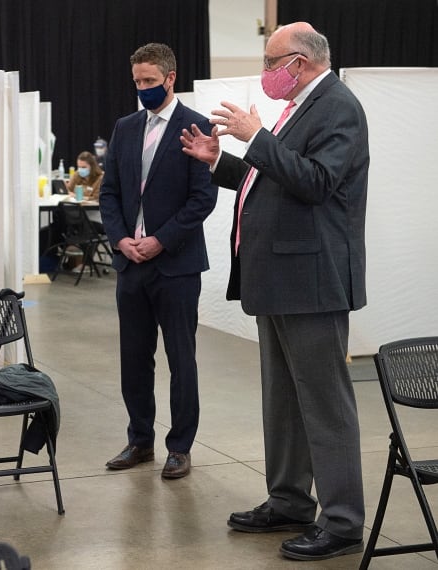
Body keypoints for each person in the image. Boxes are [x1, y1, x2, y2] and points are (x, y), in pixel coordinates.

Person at [180, 22, 367, 561]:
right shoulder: (302, 107)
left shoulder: (337, 107)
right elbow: (273, 180)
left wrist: (255, 136)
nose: (264, 73)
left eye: (269, 61)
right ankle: (288, 500)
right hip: (282, 279)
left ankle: (343, 521)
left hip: (312, 282)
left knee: (325, 406)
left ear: (301, 63)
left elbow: (315, 182)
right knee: (283, 402)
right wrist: (219, 162)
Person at [99, 43, 218, 480]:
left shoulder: (196, 127)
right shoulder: (126, 128)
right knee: (134, 356)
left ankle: (180, 447)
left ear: (170, 78)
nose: (143, 89)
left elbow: (203, 199)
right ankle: (139, 440)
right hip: (131, 264)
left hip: (177, 266)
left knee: (181, 357)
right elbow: (109, 192)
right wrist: (121, 240)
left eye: (149, 81)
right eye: (137, 82)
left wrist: (161, 241)